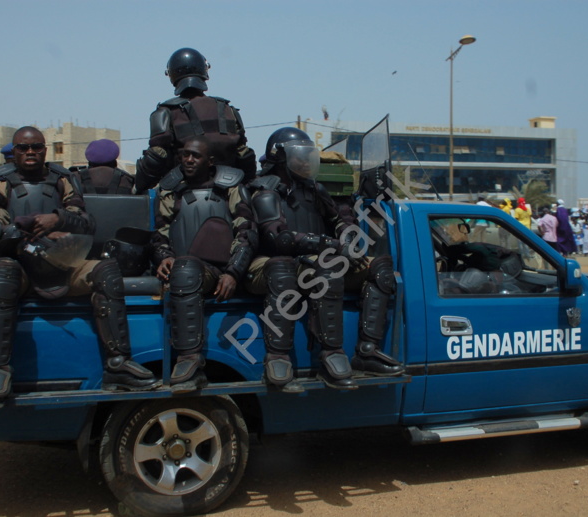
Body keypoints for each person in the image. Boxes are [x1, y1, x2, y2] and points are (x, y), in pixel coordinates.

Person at [0, 127, 159, 411]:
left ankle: (118, 364)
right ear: (15, 150)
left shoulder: (63, 179)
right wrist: (12, 229)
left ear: (45, 149)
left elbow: (84, 221)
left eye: (36, 146)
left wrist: (56, 219)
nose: (31, 152)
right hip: (21, 265)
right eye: (24, 148)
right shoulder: (0, 182)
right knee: (0, 276)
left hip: (64, 263)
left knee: (106, 271)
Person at [245, 128, 403, 391]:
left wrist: (349, 244)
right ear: (281, 158)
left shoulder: (314, 189)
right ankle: (292, 355)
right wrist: (331, 245)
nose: (307, 161)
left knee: (381, 267)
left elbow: (342, 220)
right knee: (314, 268)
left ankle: (366, 350)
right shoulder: (265, 191)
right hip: (276, 263)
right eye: (300, 156)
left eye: (309, 155)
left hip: (315, 262)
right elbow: (279, 238)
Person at [150, 136, 256, 392]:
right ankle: (190, 359)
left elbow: (247, 231)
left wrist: (233, 272)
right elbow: (159, 232)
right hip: (187, 271)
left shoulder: (230, 188)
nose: (188, 159)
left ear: (210, 161)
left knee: (187, 267)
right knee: (185, 267)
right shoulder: (169, 190)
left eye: (195, 156)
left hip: (221, 271)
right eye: (185, 154)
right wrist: (164, 255)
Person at [135, 47, 256, 192]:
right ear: (204, 71)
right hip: (230, 190)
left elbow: (155, 158)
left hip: (183, 191)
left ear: (172, 75)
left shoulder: (165, 112)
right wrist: (248, 185)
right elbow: (244, 154)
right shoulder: (228, 110)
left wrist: (138, 186)